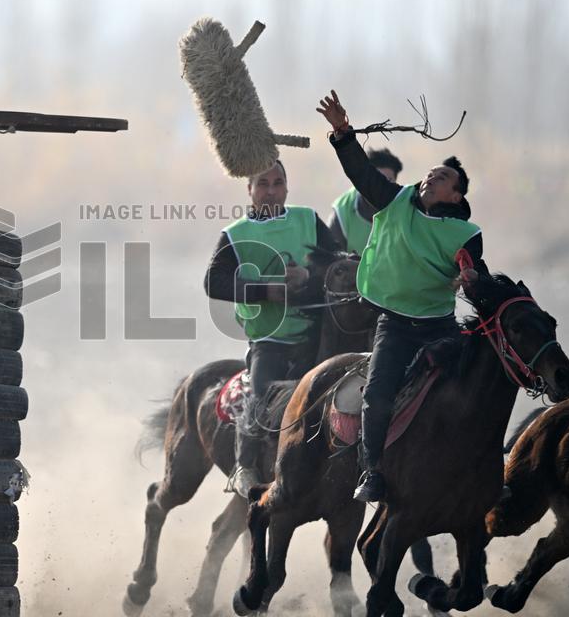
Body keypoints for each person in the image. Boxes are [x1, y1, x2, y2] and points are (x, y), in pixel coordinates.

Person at [316, 90, 489, 503]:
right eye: (429, 173)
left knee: (472, 393)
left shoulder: (467, 235)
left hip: (439, 328)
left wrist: (471, 278)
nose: (431, 178)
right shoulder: (394, 201)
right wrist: (342, 131)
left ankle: (482, 471)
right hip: (393, 327)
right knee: (376, 396)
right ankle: (372, 472)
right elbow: (360, 172)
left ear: (457, 197)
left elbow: (474, 274)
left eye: (442, 177)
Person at [204, 158, 339, 498]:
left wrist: (309, 277)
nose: (271, 191)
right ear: (249, 190)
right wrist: (267, 290)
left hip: (317, 334)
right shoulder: (235, 235)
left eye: (278, 183)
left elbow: (340, 262)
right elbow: (213, 282)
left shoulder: (308, 219)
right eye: (262, 184)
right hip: (270, 340)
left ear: (287, 187)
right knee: (262, 397)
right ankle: (244, 465)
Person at [328, 148, 403, 254]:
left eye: (387, 181)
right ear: (365, 178)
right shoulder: (343, 211)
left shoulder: (404, 208)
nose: (380, 186)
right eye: (377, 180)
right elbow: (332, 256)